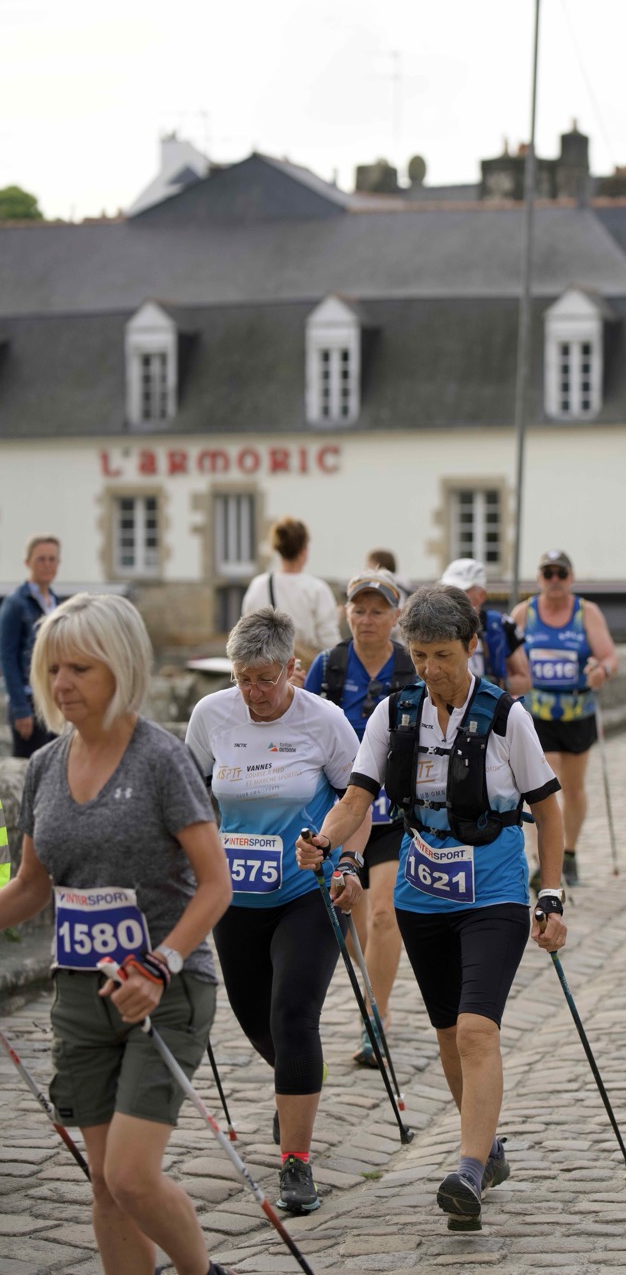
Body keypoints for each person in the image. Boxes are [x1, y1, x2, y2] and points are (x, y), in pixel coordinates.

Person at [296, 583, 566, 1233]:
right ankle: (487, 1148)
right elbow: (357, 797)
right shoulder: (395, 714)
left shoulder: (506, 717)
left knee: (476, 1030)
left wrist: (551, 893)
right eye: (418, 655)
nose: (429, 669)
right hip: (423, 895)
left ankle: (467, 1169)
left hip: (494, 890)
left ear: (471, 647)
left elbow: (548, 810)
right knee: (448, 1033)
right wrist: (325, 841)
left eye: (442, 655)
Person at [0, 592, 234, 1275]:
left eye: (80, 668)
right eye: (52, 669)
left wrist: (161, 964)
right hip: (80, 996)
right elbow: (31, 886)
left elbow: (215, 885)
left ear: (121, 667)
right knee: (104, 1185)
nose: (62, 684)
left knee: (132, 1175)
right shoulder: (45, 766)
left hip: (164, 989)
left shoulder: (160, 760)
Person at [185, 606, 369, 1215]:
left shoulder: (324, 720)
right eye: (243, 679)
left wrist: (348, 864)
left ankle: (295, 1160)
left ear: (293, 668)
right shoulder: (211, 715)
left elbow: (358, 800)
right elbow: (188, 800)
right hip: (236, 896)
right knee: (256, 1019)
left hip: (306, 892)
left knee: (293, 1014)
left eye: (266, 678)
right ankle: (299, 1080)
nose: (254, 692)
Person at [304, 569, 414, 1067]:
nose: (366, 619)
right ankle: (375, 991)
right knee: (350, 920)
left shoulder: (412, 667)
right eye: (358, 609)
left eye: (377, 610)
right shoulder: (328, 667)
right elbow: (302, 727)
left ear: (396, 616)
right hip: (343, 817)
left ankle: (376, 1015)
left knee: (384, 913)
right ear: (346, 613)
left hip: (393, 817)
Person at [510, 550, 618, 887]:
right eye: (548, 573)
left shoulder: (586, 613)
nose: (554, 580)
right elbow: (506, 658)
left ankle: (569, 852)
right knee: (542, 784)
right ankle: (542, 858)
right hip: (535, 713)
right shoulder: (523, 613)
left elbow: (609, 656)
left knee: (573, 789)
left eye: (561, 573)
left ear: (570, 578)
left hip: (576, 712)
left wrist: (601, 671)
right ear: (539, 578)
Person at [241, 517, 340, 681]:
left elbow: (247, 635)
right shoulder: (317, 589)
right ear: (304, 549)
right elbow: (330, 645)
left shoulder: (258, 586)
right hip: (306, 676)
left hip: (267, 676)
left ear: (277, 549)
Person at [0, 534, 61, 757]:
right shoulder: (15, 604)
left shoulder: (56, 603)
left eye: (52, 559)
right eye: (41, 559)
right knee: (31, 765)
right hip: (29, 700)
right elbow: (6, 657)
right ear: (28, 562)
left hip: (55, 698)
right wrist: (20, 709)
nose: (47, 565)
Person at [440, 558, 530, 697]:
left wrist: (495, 685)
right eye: (448, 589)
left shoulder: (501, 625)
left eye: (461, 590)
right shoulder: (433, 626)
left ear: (481, 595)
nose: (452, 597)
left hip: (489, 706)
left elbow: (525, 681)